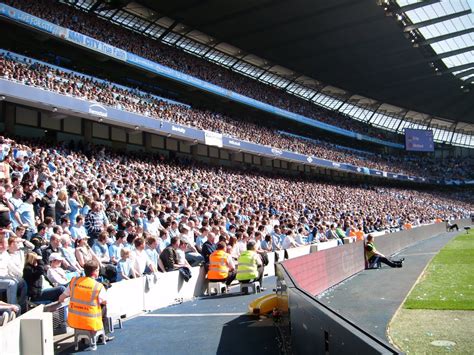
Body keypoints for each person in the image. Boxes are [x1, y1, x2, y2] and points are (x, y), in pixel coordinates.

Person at [59, 260, 114, 348]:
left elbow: (61, 298)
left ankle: (85, 337)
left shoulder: (74, 282)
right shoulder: (98, 286)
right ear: (96, 271)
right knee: (104, 307)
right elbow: (105, 301)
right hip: (90, 321)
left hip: (74, 320)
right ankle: (102, 335)